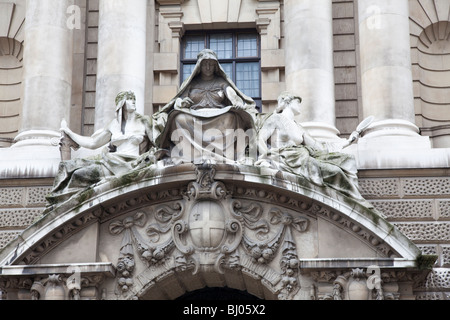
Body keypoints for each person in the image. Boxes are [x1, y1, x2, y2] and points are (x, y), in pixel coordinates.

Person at [48, 91, 160, 204]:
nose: (133, 101)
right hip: (112, 162)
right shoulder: (113, 125)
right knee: (77, 173)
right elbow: (93, 143)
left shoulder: (144, 121)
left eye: (134, 99)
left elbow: (158, 143)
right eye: (130, 99)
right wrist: (69, 133)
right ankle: (64, 205)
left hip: (132, 163)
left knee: (79, 174)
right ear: (121, 103)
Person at [256, 92, 368, 204]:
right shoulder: (276, 119)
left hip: (302, 159)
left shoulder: (298, 127)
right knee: (335, 172)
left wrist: (348, 141)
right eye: (297, 102)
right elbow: (259, 139)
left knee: (346, 161)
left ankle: (357, 203)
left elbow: (319, 147)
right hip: (285, 159)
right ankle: (355, 203)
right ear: (287, 102)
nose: (300, 105)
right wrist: (266, 158)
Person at [152, 49, 258, 165]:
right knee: (178, 118)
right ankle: (190, 154)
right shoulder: (191, 84)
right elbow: (178, 101)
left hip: (219, 115)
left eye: (211, 64)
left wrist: (236, 102)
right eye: (205, 64)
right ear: (199, 66)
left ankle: (222, 154)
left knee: (231, 117)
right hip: (195, 116)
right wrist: (183, 103)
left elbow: (232, 96)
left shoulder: (221, 83)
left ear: (215, 66)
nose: (208, 67)